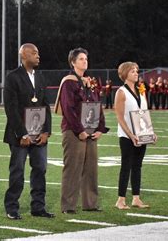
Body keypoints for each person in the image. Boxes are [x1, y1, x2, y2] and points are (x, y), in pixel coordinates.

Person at [55, 47, 109, 214]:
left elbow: (97, 105)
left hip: (91, 131)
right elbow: (68, 108)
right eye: (81, 59)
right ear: (73, 62)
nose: (84, 61)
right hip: (73, 131)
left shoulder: (90, 82)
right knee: (73, 168)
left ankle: (90, 203)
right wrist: (79, 130)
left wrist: (100, 128)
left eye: (86, 59)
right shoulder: (69, 82)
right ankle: (68, 206)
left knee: (91, 168)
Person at [3, 43, 54, 220]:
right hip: (20, 135)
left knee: (40, 169)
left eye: (38, 53)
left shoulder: (40, 76)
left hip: (39, 133)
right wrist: (22, 134)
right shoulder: (12, 77)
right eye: (34, 53)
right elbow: (11, 108)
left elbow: (46, 106)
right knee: (17, 171)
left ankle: (38, 207)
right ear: (23, 56)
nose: (38, 55)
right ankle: (12, 208)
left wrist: (46, 131)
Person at [114, 62, 157, 210]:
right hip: (127, 136)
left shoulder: (141, 90)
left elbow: (144, 112)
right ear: (125, 74)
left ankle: (136, 198)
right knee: (126, 166)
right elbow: (119, 117)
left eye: (136, 71)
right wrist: (131, 135)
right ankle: (120, 200)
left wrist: (151, 133)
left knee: (137, 166)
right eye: (132, 71)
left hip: (141, 135)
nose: (136, 73)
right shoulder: (121, 92)